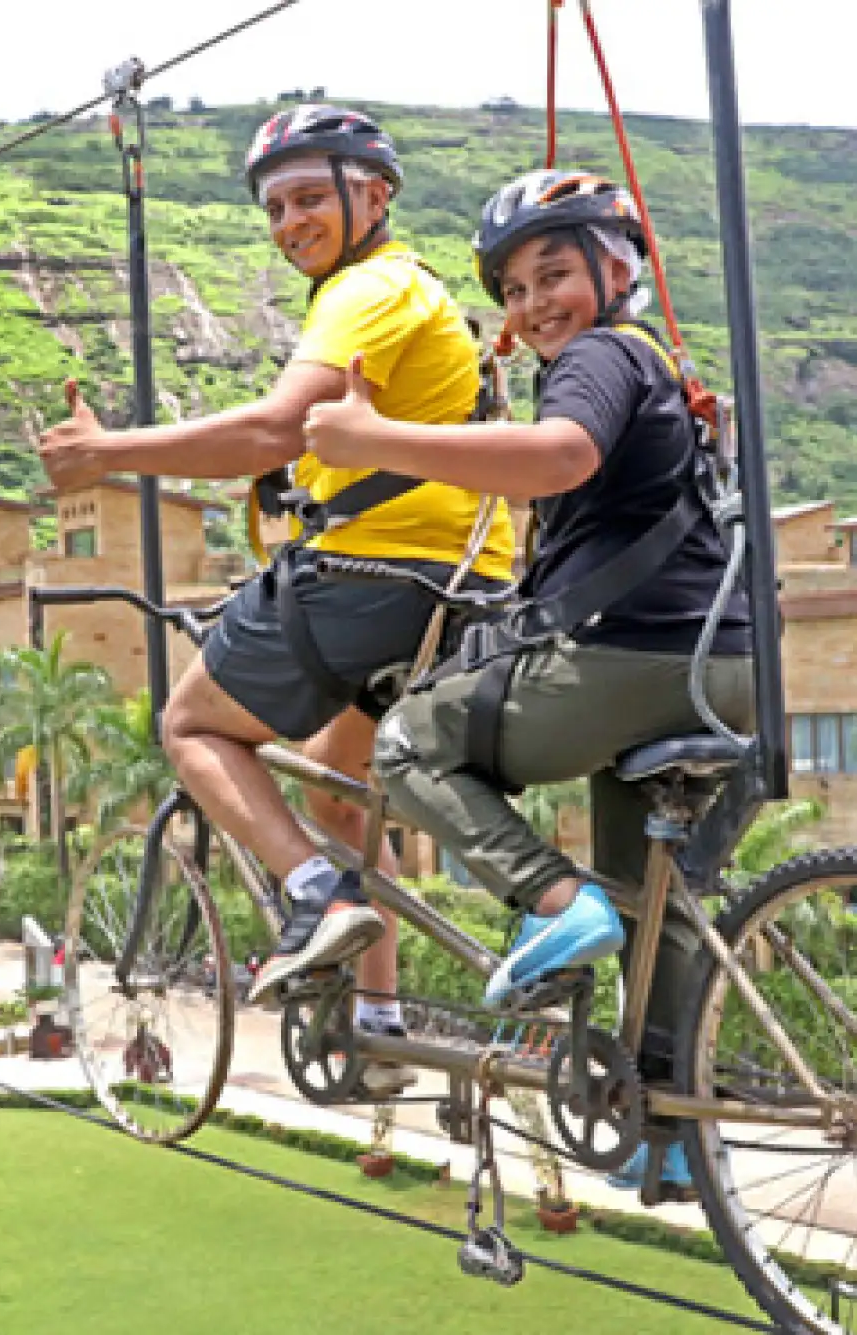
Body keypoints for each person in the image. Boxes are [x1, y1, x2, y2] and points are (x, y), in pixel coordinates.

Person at [38, 104, 514, 1093]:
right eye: (276, 205)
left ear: (372, 195)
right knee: (337, 795)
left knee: (192, 726)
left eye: (310, 196)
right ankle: (375, 1028)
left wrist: (102, 455)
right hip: (454, 588)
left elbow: (270, 435)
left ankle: (313, 895)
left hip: (372, 576)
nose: (290, 220)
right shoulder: (402, 290)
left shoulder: (366, 290)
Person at [302, 168, 753, 1194]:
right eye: (512, 291)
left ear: (617, 266)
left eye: (554, 273)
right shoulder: (660, 366)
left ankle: (550, 904)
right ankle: (672, 1131)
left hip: (631, 662)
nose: (533, 304)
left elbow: (557, 456)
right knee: (654, 904)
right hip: (723, 670)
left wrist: (372, 440)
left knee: (411, 739)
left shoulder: (597, 358)